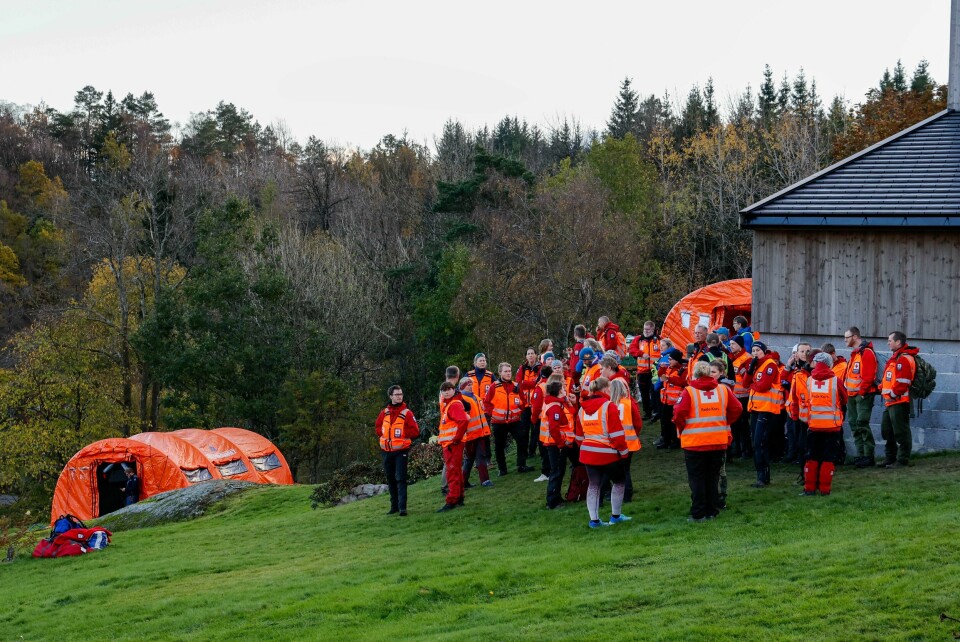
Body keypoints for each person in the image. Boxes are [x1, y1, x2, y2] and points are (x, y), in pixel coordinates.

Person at [673, 361, 742, 521]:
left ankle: (698, 513)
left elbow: (678, 414)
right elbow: (737, 408)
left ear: (695, 374)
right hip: (717, 441)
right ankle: (712, 511)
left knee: (697, 479)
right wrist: (724, 422)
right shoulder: (723, 390)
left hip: (694, 443)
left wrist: (683, 428)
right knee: (712, 478)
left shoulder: (689, 392)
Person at [576, 377, 631, 528]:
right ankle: (615, 516)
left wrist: (586, 445)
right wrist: (624, 452)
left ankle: (594, 520)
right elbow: (617, 435)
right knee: (619, 481)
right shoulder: (609, 406)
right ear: (606, 389)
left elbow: (579, 436)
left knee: (593, 484)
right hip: (607, 452)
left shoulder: (582, 409)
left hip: (588, 452)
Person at [801, 352, 847, 496]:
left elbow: (805, 400)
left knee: (812, 457)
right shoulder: (836, 380)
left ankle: (809, 489)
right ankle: (825, 490)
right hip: (832, 427)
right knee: (828, 458)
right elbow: (845, 399)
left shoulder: (809, 380)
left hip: (814, 425)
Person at [375, 385, 421, 516]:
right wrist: (384, 433)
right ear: (391, 396)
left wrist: (400, 433)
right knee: (390, 479)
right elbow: (378, 427)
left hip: (401, 451)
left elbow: (415, 431)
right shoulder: (384, 412)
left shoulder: (407, 413)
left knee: (400, 478)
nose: (399, 396)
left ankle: (402, 508)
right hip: (386, 451)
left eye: (401, 394)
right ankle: (393, 507)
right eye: (397, 394)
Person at [879, 332, 919, 468]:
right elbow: (890, 378)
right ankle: (890, 458)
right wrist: (882, 387)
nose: (888, 342)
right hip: (891, 401)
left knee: (901, 432)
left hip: (899, 402)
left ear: (898, 342)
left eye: (890, 340)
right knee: (887, 430)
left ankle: (902, 460)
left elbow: (903, 382)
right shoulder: (895, 358)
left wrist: (892, 394)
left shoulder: (903, 359)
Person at [484, 362, 532, 476]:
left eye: (509, 371)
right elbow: (486, 403)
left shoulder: (516, 386)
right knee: (499, 446)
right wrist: (492, 414)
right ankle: (502, 469)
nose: (508, 373)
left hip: (515, 421)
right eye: (505, 371)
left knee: (522, 441)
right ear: (500, 372)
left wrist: (519, 410)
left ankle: (521, 465)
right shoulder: (494, 386)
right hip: (498, 422)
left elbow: (523, 402)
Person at [747, 341, 782, 488]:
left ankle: (763, 476)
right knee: (756, 443)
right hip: (756, 408)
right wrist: (750, 370)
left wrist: (752, 384)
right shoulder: (756, 365)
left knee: (760, 442)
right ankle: (761, 476)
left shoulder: (770, 364)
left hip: (766, 408)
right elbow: (744, 383)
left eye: (757, 350)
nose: (755, 353)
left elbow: (763, 386)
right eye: (753, 350)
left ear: (764, 351)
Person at [843, 327, 878, 468]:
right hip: (852, 395)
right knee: (854, 424)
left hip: (862, 395)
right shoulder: (855, 353)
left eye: (847, 337)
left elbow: (869, 376)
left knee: (862, 423)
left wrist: (862, 393)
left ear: (855, 337)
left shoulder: (866, 353)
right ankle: (860, 455)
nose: (845, 340)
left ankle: (868, 456)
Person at [540, 378, 575, 509]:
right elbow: (554, 428)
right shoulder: (555, 406)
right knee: (556, 472)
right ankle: (552, 501)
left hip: (555, 443)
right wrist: (561, 443)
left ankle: (556, 498)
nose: (566, 389)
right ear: (559, 391)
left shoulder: (556, 404)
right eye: (564, 388)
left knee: (559, 471)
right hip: (555, 444)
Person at [608, 378, 642, 502]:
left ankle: (617, 494)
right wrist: (634, 433)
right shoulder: (629, 403)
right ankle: (627, 494)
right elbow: (638, 422)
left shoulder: (608, 404)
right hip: (629, 442)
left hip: (613, 442)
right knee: (626, 470)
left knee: (615, 470)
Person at [437, 382, 469, 512]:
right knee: (456, 470)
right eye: (443, 390)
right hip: (451, 443)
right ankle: (459, 497)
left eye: (448, 389)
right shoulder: (449, 404)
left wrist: (456, 439)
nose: (446, 392)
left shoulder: (454, 405)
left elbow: (464, 420)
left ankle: (452, 499)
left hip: (452, 444)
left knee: (452, 471)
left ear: (453, 390)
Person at [458, 378, 493, 488]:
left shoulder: (476, 397)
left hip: (480, 433)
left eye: (471, 384)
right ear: (462, 386)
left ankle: (478, 481)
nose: (470, 386)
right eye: (468, 384)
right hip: (470, 435)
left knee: (477, 457)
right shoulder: (462, 400)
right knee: (471, 459)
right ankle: (482, 481)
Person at [708, 360, 733, 508]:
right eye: (709, 372)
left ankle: (721, 497)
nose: (711, 375)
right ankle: (714, 496)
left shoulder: (724, 388)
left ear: (721, 373)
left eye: (713, 372)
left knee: (720, 469)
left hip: (722, 433)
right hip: (710, 433)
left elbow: (733, 410)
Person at [629, 321, 662, 420]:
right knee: (644, 393)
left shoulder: (659, 340)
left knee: (655, 392)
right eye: (644, 329)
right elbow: (631, 349)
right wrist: (641, 353)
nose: (646, 331)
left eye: (648, 329)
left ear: (653, 329)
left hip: (654, 372)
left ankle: (656, 412)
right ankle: (647, 413)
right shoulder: (638, 339)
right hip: (642, 371)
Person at [655, 348, 686, 449]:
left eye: (671, 359)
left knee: (673, 423)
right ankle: (666, 440)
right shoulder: (668, 368)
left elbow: (683, 382)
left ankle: (675, 441)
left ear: (677, 360)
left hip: (675, 402)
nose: (669, 361)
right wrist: (662, 369)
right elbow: (661, 376)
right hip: (666, 400)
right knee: (665, 421)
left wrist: (669, 379)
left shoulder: (682, 370)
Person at [729, 335, 753, 459]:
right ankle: (735, 449)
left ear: (740, 345)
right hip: (734, 396)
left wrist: (743, 372)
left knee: (743, 425)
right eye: (730, 344)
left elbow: (748, 378)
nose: (731, 346)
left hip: (744, 396)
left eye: (733, 344)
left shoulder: (747, 358)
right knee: (734, 424)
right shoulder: (731, 357)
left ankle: (746, 450)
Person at [517, 347, 542, 460]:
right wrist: (532, 383)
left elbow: (539, 383)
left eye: (532, 353)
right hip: (525, 404)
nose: (531, 355)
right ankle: (525, 452)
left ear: (536, 355)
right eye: (528, 354)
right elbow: (519, 383)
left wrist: (526, 383)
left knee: (536, 430)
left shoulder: (541, 368)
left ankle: (533, 451)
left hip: (536, 404)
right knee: (524, 430)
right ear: (526, 356)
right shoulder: (522, 368)